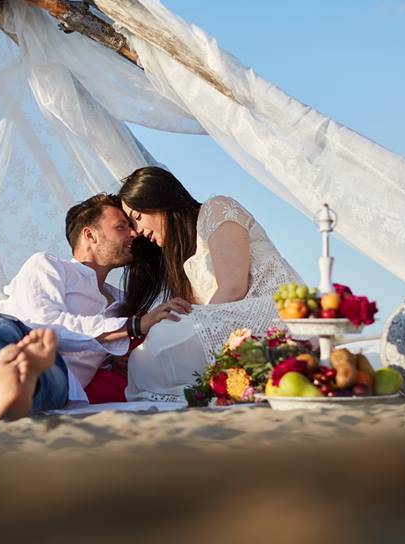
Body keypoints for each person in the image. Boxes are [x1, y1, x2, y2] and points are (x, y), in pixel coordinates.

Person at [0, 193, 189, 425]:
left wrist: (120, 360)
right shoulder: (49, 266)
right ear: (90, 236)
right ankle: (2, 383)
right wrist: (132, 326)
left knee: (45, 386)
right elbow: (45, 324)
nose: (134, 234)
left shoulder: (123, 305)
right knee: (2, 342)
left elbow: (110, 355)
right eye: (121, 226)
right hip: (7, 337)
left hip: (58, 378)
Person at [118, 166, 302, 401]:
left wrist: (187, 329)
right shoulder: (183, 257)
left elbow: (234, 288)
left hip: (272, 313)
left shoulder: (215, 209)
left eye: (138, 218)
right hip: (235, 328)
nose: (139, 231)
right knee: (150, 349)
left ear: (158, 199)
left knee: (159, 343)